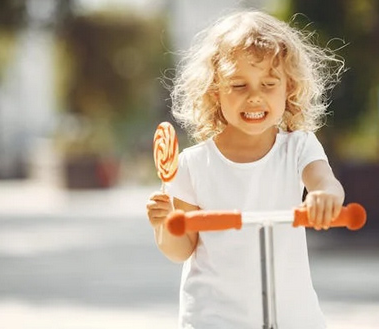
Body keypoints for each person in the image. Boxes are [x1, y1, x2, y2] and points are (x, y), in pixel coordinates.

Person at [146, 9, 345, 329]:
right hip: (215, 318)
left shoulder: (299, 147)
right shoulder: (192, 165)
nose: (255, 97)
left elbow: (324, 181)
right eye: (238, 85)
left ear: (288, 89)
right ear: (215, 92)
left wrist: (323, 196)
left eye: (269, 83)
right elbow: (181, 250)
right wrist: (165, 225)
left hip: (290, 315)